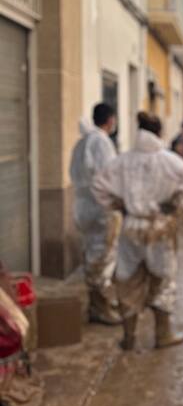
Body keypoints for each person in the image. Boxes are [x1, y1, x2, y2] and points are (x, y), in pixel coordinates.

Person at [92, 112, 183, 351]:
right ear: (159, 132)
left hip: (131, 226)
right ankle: (163, 334)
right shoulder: (167, 160)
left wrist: (117, 205)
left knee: (128, 280)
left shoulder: (123, 160)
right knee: (163, 279)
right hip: (159, 227)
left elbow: (98, 185)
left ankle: (129, 338)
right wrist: (176, 205)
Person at [69, 103, 121, 325]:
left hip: (83, 206)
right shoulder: (101, 142)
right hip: (100, 208)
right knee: (102, 256)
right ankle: (100, 308)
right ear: (110, 120)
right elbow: (108, 176)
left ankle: (97, 303)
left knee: (92, 253)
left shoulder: (82, 142)